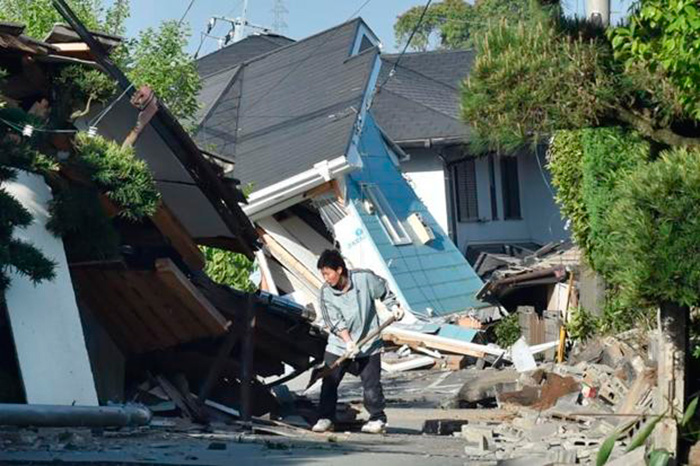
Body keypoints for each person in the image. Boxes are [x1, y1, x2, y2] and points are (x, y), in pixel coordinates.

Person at [311, 249, 404, 434]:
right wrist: (348, 341)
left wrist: (394, 307)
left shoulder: (364, 279)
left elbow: (384, 292)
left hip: (369, 343)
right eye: (323, 274)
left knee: (371, 385)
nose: (326, 278)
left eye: (328, 273)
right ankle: (326, 418)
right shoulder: (326, 293)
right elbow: (334, 320)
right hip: (340, 345)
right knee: (330, 380)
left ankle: (377, 418)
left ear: (339, 270)